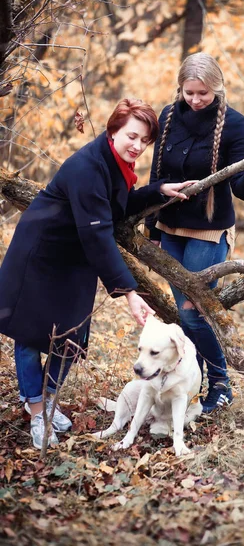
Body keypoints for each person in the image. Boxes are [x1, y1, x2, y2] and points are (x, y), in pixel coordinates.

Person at [0, 98, 191, 449]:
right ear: (114, 130)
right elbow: (98, 234)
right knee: (28, 336)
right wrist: (130, 293)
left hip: (74, 260)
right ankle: (38, 411)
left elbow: (116, 206)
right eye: (132, 136)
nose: (137, 146)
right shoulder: (87, 167)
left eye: (144, 141)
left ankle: (47, 400)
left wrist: (157, 190)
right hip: (39, 254)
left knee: (68, 339)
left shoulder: (115, 164)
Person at [145, 53, 244, 414]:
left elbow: (242, 188)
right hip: (169, 228)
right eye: (190, 93)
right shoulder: (169, 116)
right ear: (181, 88)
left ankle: (220, 383)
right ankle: (191, 383)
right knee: (187, 316)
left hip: (209, 231)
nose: (196, 100)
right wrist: (151, 228)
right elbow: (157, 177)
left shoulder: (235, 125)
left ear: (216, 89)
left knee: (191, 312)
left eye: (203, 93)